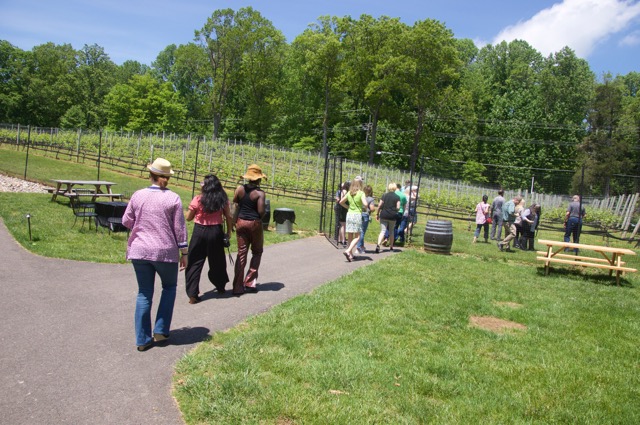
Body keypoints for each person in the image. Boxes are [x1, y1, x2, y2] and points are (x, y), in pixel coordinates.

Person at [122, 158, 188, 352]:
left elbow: (127, 220)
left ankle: (142, 339)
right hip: (165, 252)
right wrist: (184, 252)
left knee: (144, 293)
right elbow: (180, 229)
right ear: (167, 177)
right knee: (169, 288)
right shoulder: (173, 198)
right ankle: (161, 329)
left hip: (140, 250)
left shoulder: (138, 195)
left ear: (150, 174)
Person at [184, 174, 233, 304]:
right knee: (217, 261)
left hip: (199, 231)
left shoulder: (198, 199)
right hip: (216, 232)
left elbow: (188, 217)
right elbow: (228, 217)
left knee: (194, 261)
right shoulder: (222, 200)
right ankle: (220, 286)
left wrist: (189, 208)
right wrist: (228, 232)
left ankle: (193, 294)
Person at [232, 164, 267, 295]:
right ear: (259, 179)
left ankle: (237, 286)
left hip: (241, 222)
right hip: (254, 223)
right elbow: (261, 211)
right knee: (257, 252)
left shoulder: (240, 189)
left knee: (242, 253)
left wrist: (234, 221)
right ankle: (250, 282)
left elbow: (235, 204)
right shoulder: (260, 193)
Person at [340, 178, 368, 261]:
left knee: (350, 235)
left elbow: (341, 202)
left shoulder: (349, 193)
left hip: (349, 215)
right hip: (357, 215)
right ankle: (348, 250)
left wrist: (348, 207)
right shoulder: (361, 193)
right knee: (358, 236)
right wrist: (364, 208)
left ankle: (350, 254)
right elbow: (365, 204)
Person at [376, 183, 401, 253]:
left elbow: (379, 205)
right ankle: (391, 246)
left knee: (383, 231)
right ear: (395, 188)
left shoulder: (384, 195)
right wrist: (395, 210)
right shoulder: (397, 197)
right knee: (391, 231)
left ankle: (378, 245)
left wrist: (377, 213)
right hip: (392, 215)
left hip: (384, 214)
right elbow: (398, 207)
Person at [356, 184, 375, 254]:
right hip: (365, 215)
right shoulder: (370, 199)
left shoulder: (361, 196)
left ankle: (362, 246)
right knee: (362, 232)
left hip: (358, 213)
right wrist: (372, 210)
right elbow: (372, 208)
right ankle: (358, 247)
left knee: (360, 231)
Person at [335, 182, 349, 247]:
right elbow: (340, 200)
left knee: (341, 224)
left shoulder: (339, 191)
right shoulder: (345, 191)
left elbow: (338, 200)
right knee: (343, 224)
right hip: (342, 208)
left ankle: (340, 239)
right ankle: (343, 240)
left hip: (339, 208)